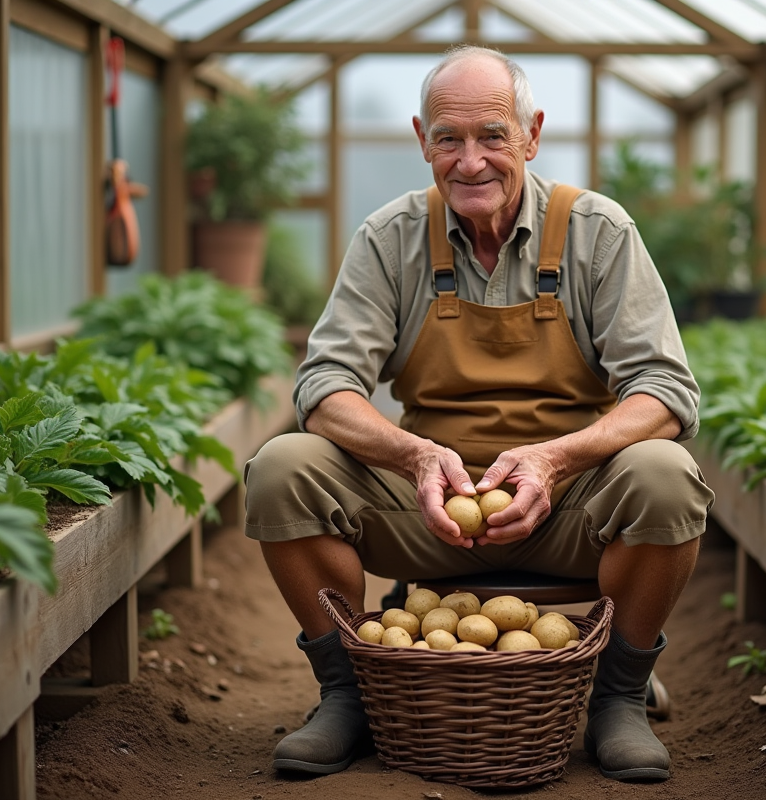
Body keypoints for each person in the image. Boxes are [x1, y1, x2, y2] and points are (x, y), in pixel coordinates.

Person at [243, 44, 715, 783]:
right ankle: (349, 693)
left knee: (666, 475)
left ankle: (617, 696)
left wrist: (555, 460)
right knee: (283, 467)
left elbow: (666, 389)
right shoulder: (390, 238)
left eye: (492, 136)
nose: (470, 161)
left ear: (531, 133)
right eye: (448, 139)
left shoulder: (598, 233)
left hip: (570, 507)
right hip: (431, 509)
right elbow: (324, 383)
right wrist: (416, 457)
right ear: (420, 138)